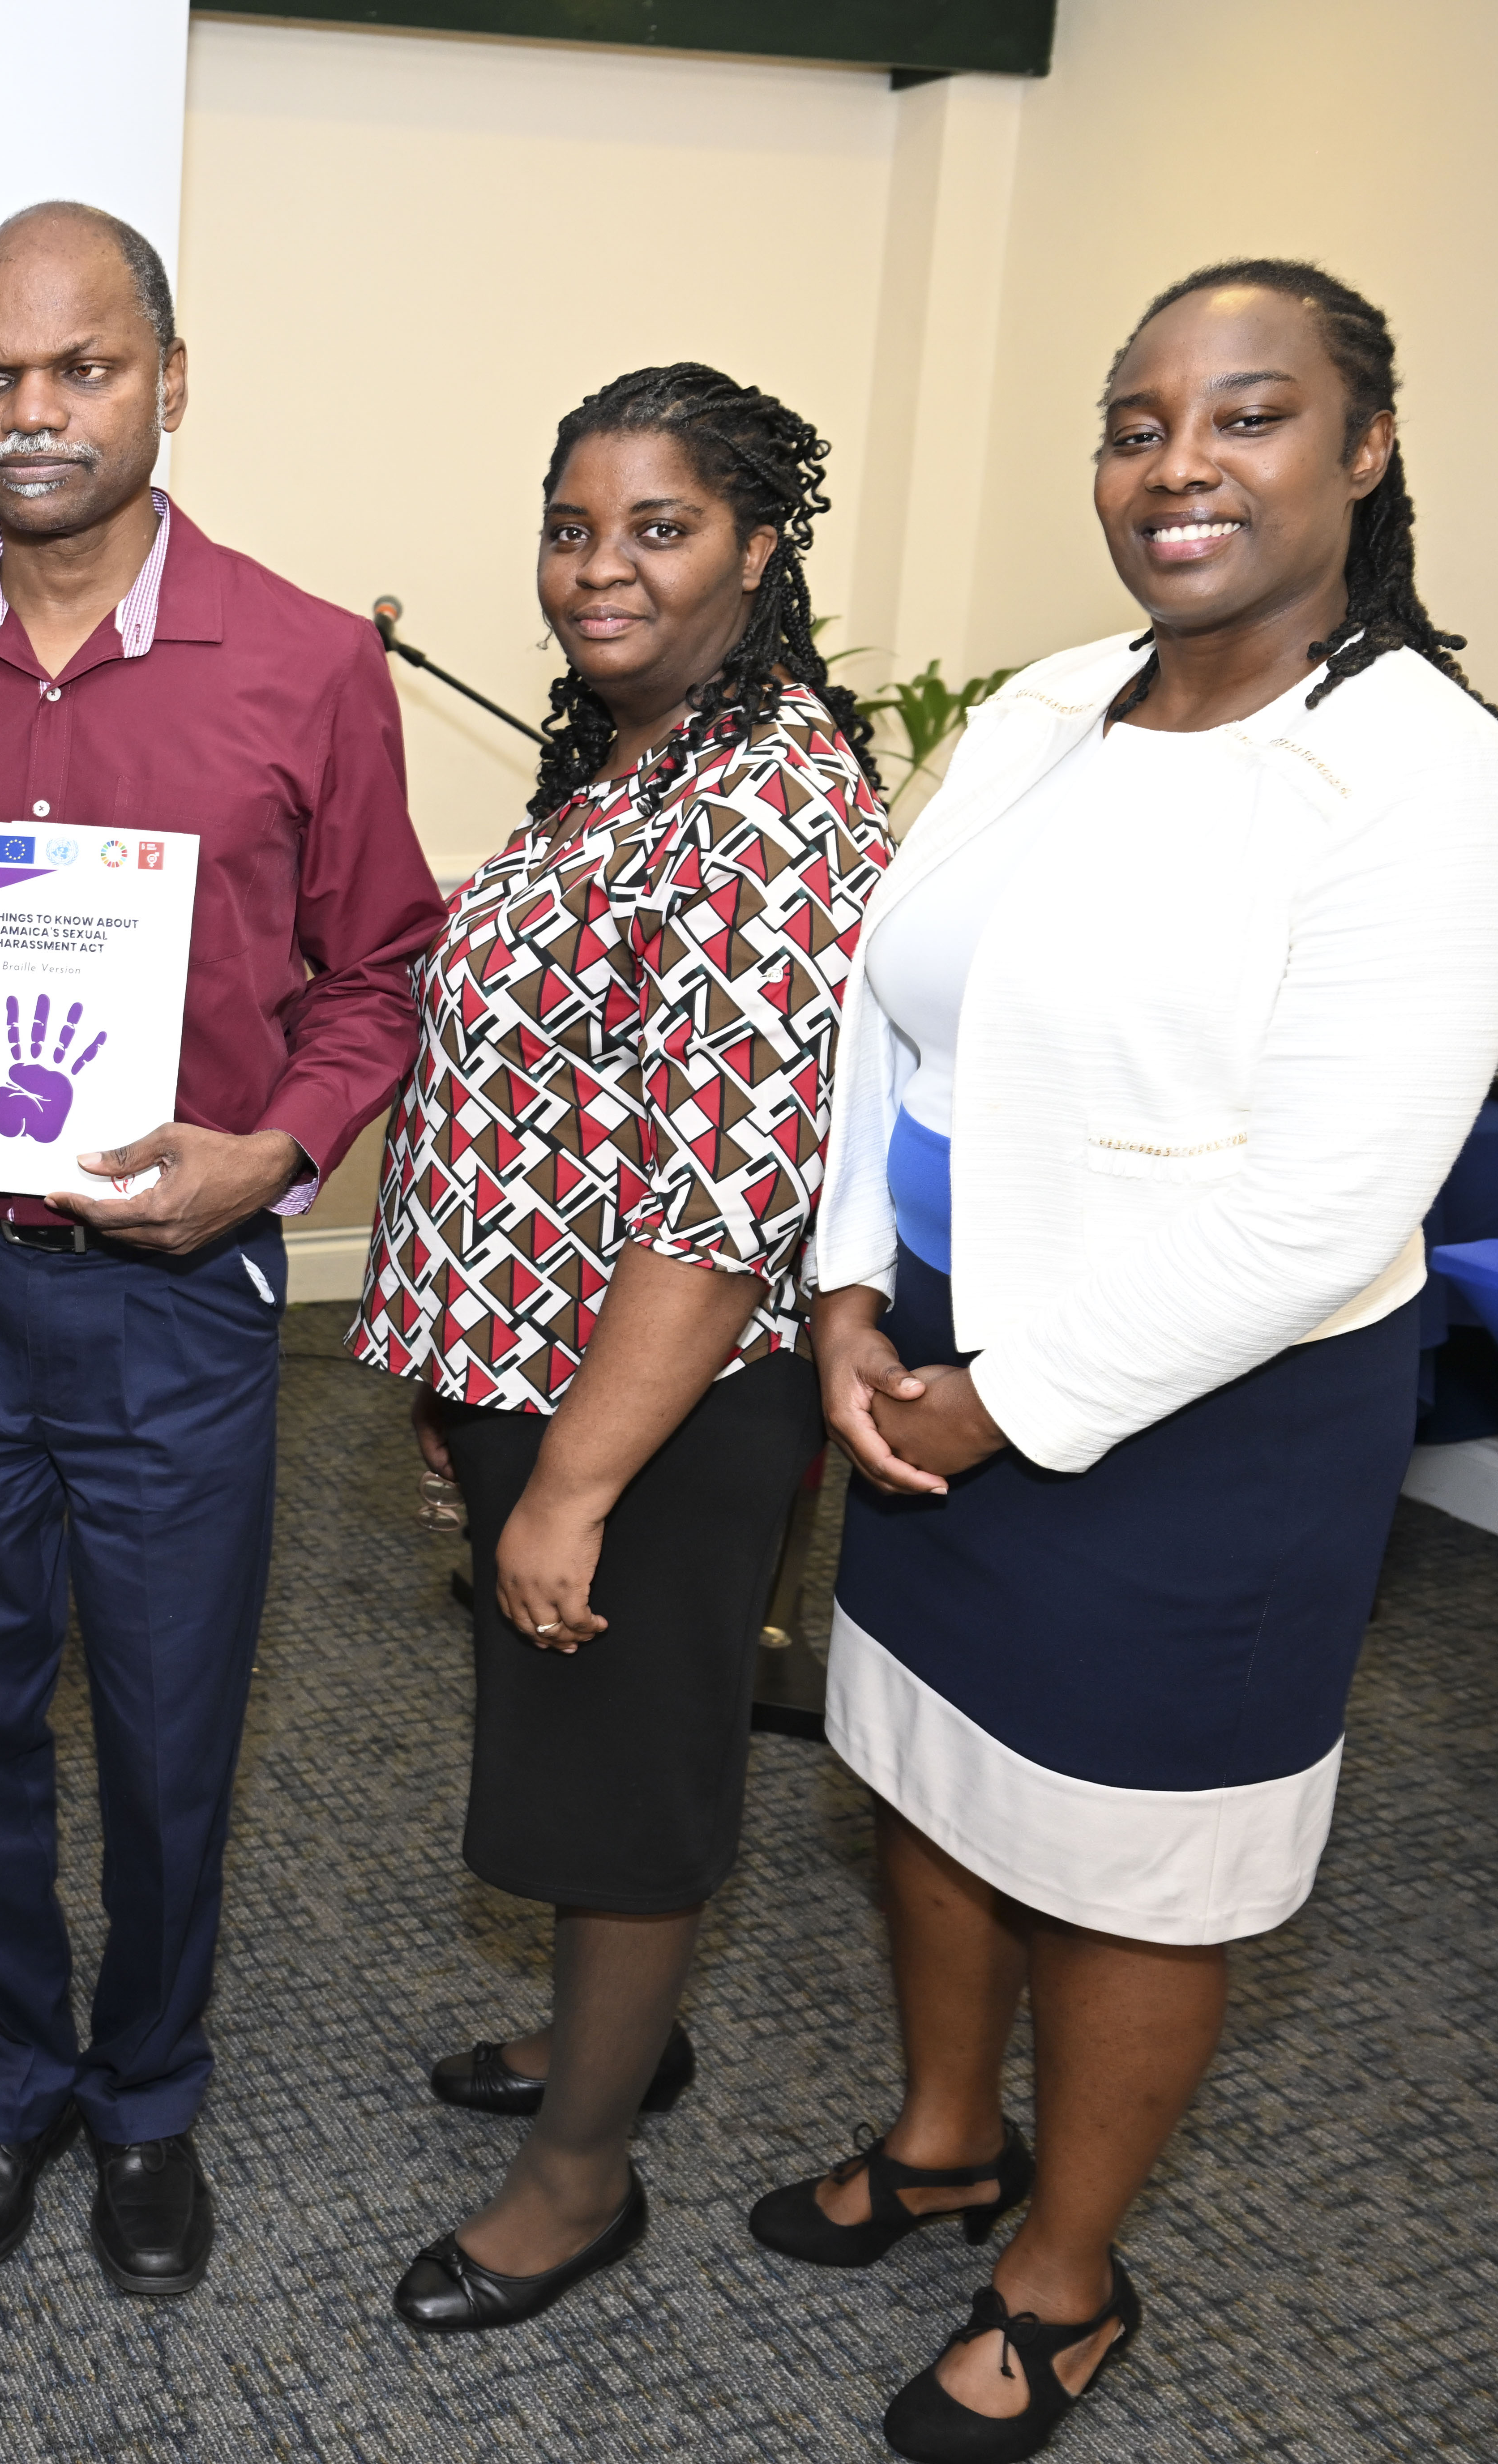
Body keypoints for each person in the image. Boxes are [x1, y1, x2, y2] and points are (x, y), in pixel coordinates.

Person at [770, 262, 1498, 2460]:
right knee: (929, 1771)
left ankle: (1063, 2273)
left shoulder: (1421, 773)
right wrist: (846, 1296)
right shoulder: (1044, 704)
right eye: (1137, 421)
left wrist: (998, 1400)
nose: (1177, 462)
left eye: (1247, 414)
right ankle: (941, 2137)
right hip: (928, 1345)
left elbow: (1318, 1199)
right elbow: (881, 1010)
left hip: (1201, 1416)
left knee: (1131, 1852)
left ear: (1364, 447)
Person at [0, 202, 445, 2297]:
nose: (36, 414)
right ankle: (0, 2090)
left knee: (171, 1728)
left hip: (178, 1292)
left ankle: (147, 2092)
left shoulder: (305, 658)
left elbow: (387, 969)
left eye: (82, 369)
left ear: (171, 380)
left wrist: (276, 1153)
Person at [355, 368, 892, 2335]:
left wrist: (571, 1475)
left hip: (659, 1405)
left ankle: (581, 2176)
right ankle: (610, 2039)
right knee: (581, 1756)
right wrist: (469, 1391)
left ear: (758, 548)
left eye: (658, 527)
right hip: (549, 1374)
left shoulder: (768, 802)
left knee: (634, 1775)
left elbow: (717, 1199)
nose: (601, 567)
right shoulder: (633, 757)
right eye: (576, 526)